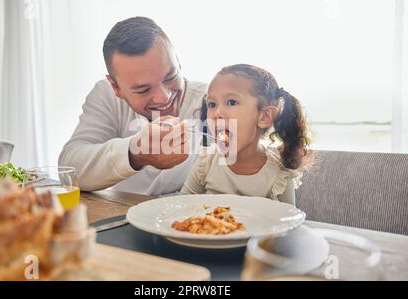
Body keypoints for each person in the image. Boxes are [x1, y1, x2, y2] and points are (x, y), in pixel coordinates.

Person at [59, 17, 206, 195]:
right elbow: (70, 170)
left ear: (178, 60)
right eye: (143, 89)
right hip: (122, 216)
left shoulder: (213, 101)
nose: (163, 97)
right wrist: (135, 153)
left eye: (170, 77)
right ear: (116, 87)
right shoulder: (106, 96)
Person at [180, 64, 311, 205]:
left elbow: (287, 222)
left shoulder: (280, 173)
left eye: (231, 102)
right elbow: (181, 207)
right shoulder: (206, 162)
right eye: (212, 104)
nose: (217, 113)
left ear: (264, 117)